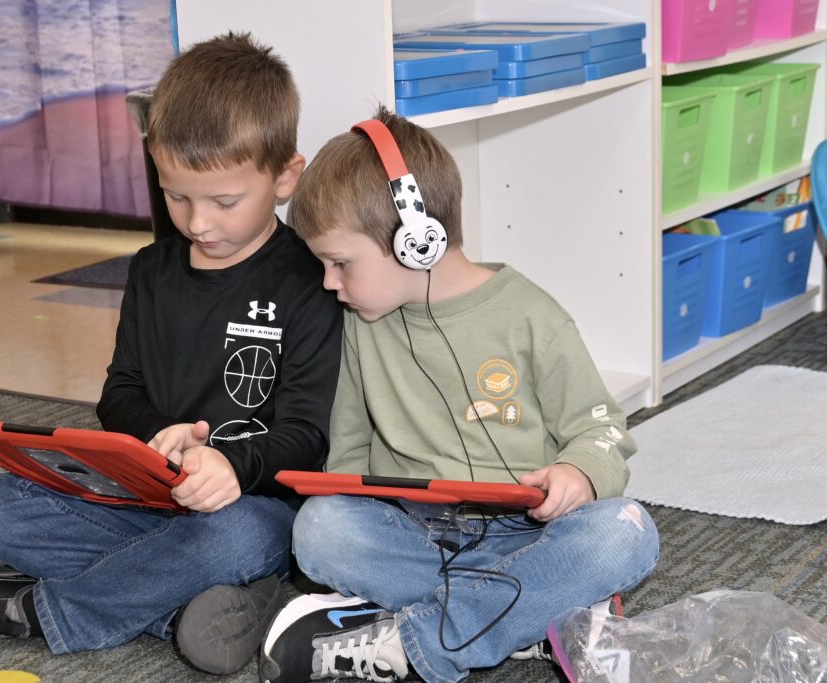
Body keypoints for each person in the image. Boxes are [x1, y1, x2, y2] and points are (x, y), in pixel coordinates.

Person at [0, 32, 342, 675]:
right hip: (143, 497)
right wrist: (156, 435)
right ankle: (176, 610)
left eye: (224, 202)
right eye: (176, 196)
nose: (198, 222)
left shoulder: (310, 281)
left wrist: (232, 466)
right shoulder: (151, 271)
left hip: (245, 504)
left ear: (286, 177)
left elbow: (309, 434)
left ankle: (37, 610)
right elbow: (119, 392)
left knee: (239, 540)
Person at [258, 108, 660, 683]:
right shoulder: (359, 325)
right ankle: (537, 614)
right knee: (320, 528)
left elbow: (603, 430)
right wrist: (349, 501)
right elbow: (348, 454)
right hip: (420, 536)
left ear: (416, 242)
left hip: (532, 532)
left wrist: (579, 472)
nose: (329, 282)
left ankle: (413, 640)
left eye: (340, 263)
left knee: (625, 529)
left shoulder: (531, 316)